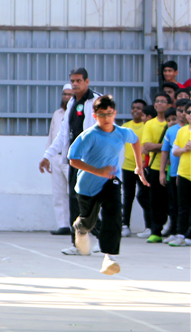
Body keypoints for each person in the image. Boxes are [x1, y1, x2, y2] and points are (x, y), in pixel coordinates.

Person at [67, 95, 148, 275]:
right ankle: (80, 228)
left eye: (109, 113)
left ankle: (109, 256)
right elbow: (73, 160)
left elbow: (135, 140)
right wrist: (98, 171)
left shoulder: (122, 132)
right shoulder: (89, 136)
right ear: (95, 115)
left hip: (111, 180)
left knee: (114, 213)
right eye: (102, 114)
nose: (106, 118)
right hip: (88, 186)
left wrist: (139, 166)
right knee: (88, 222)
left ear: (115, 113)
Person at [40, 68, 102, 255]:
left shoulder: (97, 101)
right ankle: (78, 244)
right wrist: (48, 155)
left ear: (86, 82)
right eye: (72, 81)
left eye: (78, 81)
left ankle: (102, 239)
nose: (75, 84)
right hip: (74, 160)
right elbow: (63, 134)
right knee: (74, 201)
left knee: (89, 201)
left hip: (91, 161)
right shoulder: (73, 103)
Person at [142, 93, 173, 242]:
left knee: (172, 201)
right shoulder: (150, 124)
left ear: (169, 105)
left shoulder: (173, 123)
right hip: (155, 167)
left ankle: (172, 229)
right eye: (157, 101)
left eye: (162, 101)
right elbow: (147, 146)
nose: (159, 104)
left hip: (173, 168)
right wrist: (167, 146)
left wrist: (158, 146)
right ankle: (156, 231)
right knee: (155, 201)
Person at [46, 84, 74, 235]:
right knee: (59, 193)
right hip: (56, 158)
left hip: (72, 159)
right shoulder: (57, 114)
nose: (67, 97)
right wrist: (48, 157)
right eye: (65, 94)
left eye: (70, 95)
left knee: (75, 193)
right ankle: (63, 225)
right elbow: (51, 136)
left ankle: (79, 225)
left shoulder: (78, 113)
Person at [120, 99, 151, 238]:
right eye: (133, 108)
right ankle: (125, 225)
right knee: (128, 196)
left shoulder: (147, 125)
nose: (135, 110)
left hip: (143, 167)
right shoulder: (125, 126)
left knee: (145, 196)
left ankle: (149, 226)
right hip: (128, 166)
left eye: (139, 108)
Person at [160, 102, 187, 242]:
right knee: (175, 205)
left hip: (186, 173)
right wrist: (162, 172)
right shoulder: (172, 130)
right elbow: (166, 151)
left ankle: (185, 233)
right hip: (174, 172)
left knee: (185, 205)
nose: (182, 114)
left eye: (185, 111)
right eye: (180, 111)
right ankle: (175, 232)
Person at [169, 118, 191, 247]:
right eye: (189, 112)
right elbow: (174, 152)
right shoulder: (181, 131)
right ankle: (180, 235)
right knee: (182, 206)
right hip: (183, 173)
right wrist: (184, 149)